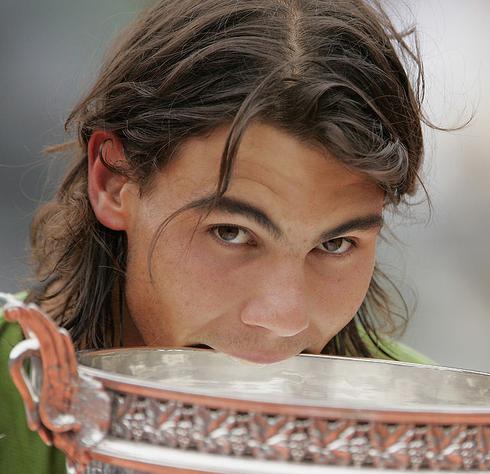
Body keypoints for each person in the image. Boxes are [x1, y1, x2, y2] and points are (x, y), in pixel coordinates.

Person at [0, 0, 439, 472]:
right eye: (231, 232)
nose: (283, 318)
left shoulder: (434, 431)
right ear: (113, 182)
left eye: (334, 245)